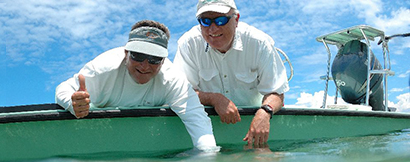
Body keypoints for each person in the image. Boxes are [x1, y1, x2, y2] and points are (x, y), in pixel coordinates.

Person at [55, 20, 217, 151]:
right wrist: (73, 103)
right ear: (126, 52)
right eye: (138, 55)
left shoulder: (172, 78)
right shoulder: (102, 68)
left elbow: (198, 121)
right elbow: (63, 89)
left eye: (154, 59)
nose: (145, 66)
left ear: (163, 60)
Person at [173, 0, 289, 147]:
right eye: (205, 21)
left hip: (255, 128)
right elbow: (181, 93)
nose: (213, 29)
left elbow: (277, 91)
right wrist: (214, 99)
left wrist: (265, 112)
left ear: (236, 19)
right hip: (205, 131)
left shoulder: (259, 42)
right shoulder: (188, 44)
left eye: (221, 20)